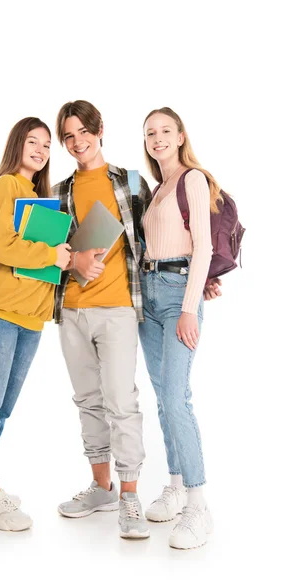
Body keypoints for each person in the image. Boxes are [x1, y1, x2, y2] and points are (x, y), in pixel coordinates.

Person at [0, 117, 71, 531]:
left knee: (1, 408)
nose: (40, 150)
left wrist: (64, 257)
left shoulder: (40, 197)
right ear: (17, 145)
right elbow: (3, 245)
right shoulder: (6, 185)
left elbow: (42, 259)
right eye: (33, 142)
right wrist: (52, 255)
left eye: (46, 145)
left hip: (30, 317)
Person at [52, 100, 152, 539]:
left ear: (100, 129)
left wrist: (199, 278)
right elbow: (49, 255)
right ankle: (101, 487)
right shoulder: (57, 191)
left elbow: (157, 237)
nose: (77, 142)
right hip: (72, 309)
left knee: (120, 400)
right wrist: (74, 260)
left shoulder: (130, 182)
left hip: (117, 310)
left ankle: (130, 495)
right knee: (88, 400)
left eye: (82, 132)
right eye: (68, 137)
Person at [138, 106, 220, 549]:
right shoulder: (157, 189)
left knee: (176, 395)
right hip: (148, 295)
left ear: (181, 134)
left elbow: (203, 248)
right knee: (163, 397)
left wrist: (190, 306)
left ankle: (198, 505)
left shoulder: (192, 178)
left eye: (165, 130)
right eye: (151, 133)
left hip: (175, 296)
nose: (158, 138)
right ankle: (173, 484)